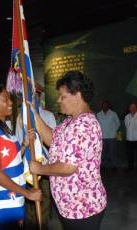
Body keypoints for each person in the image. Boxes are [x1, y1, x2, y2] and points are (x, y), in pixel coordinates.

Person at [28, 71, 107, 230]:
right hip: (70, 206)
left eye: (62, 96)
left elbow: (67, 167)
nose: (58, 100)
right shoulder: (70, 121)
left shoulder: (84, 125)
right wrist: (34, 113)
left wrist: (39, 169)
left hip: (83, 209)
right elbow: (52, 139)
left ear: (77, 97)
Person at [0, 84, 42, 229]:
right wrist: (27, 193)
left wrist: (24, 145)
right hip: (5, 198)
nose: (11, 103)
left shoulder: (4, 128)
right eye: (5, 100)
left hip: (13, 196)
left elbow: (11, 160)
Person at [15, 83, 56, 230]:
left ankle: (42, 226)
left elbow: (54, 142)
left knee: (44, 198)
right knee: (29, 200)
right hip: (27, 165)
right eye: (29, 96)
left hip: (44, 164)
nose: (32, 98)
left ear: (39, 96)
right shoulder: (20, 118)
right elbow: (18, 142)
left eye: (34, 95)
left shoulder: (48, 115)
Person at [96, 100, 120, 171]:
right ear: (102, 106)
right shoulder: (98, 114)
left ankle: (113, 165)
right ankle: (103, 165)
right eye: (103, 105)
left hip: (111, 136)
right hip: (102, 137)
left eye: (106, 105)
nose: (105, 106)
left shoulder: (113, 114)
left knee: (112, 152)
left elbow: (118, 123)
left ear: (108, 106)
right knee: (103, 153)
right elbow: (97, 124)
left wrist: (113, 131)